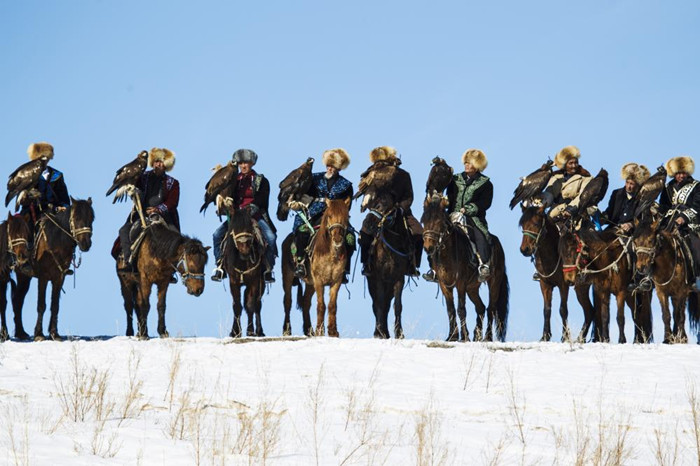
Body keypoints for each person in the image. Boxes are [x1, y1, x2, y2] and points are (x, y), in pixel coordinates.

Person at [423, 149, 493, 283]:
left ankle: (483, 264)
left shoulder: (486, 183)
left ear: (477, 166)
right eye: (465, 162)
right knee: (433, 233)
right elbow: (450, 195)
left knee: (480, 235)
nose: (467, 165)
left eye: (470, 163)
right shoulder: (455, 179)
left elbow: (485, 202)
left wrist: (468, 209)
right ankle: (433, 269)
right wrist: (445, 201)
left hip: (474, 218)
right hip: (451, 215)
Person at [210, 149, 277, 283]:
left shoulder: (261, 180)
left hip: (255, 216)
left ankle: (268, 269)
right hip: (235, 217)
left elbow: (262, 200)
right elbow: (227, 195)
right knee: (217, 235)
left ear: (252, 163)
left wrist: (249, 209)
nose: (243, 166)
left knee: (271, 237)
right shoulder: (233, 179)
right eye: (240, 163)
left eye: (246, 163)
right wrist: (223, 205)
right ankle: (220, 265)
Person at [289, 148, 355, 283]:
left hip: (335, 217)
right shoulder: (314, 178)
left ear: (339, 168)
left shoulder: (346, 185)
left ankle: (344, 269)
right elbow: (304, 194)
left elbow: (347, 206)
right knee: (302, 231)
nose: (330, 168)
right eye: (328, 165)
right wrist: (299, 203)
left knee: (350, 237)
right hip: (313, 213)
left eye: (333, 166)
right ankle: (300, 263)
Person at [358, 146, 422, 277]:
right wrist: (369, 199)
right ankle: (366, 264)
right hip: (377, 210)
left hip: (401, 210)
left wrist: (400, 208)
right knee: (364, 233)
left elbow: (409, 196)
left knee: (419, 233)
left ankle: (413, 265)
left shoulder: (403, 174)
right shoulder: (372, 173)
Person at [117, 147, 180, 278]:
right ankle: (129, 262)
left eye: (161, 162)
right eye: (156, 161)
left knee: (176, 237)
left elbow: (172, 203)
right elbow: (136, 189)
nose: (158, 164)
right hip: (141, 214)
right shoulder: (143, 177)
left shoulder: (173, 183)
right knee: (124, 231)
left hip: (163, 217)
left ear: (166, 165)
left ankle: (172, 269)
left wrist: (158, 209)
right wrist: (132, 191)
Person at [659, 155, 700, 291]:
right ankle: (645, 276)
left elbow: (697, 207)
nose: (681, 176)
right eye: (678, 173)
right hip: (668, 223)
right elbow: (663, 206)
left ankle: (696, 278)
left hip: (690, 225)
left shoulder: (696, 186)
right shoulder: (667, 187)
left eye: (683, 172)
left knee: (695, 247)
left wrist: (683, 217)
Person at [19, 142, 71, 225]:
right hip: (31, 215)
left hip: (54, 215)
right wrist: (27, 197)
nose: (43, 160)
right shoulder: (26, 175)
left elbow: (64, 200)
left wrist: (64, 208)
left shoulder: (57, 175)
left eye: (46, 158)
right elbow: (21, 200)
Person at [543, 145, 592, 220]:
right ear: (565, 165)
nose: (574, 166)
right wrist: (538, 203)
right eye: (570, 163)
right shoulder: (555, 177)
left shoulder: (585, 178)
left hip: (577, 217)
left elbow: (583, 196)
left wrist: (570, 209)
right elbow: (549, 195)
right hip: (553, 215)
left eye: (576, 163)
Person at [602, 163, 650, 233]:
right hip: (612, 230)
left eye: (631, 184)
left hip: (631, 235)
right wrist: (601, 218)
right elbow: (609, 213)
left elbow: (645, 220)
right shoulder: (616, 194)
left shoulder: (642, 199)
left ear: (637, 184)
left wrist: (631, 224)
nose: (628, 186)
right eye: (627, 182)